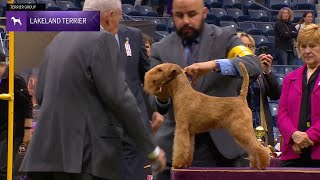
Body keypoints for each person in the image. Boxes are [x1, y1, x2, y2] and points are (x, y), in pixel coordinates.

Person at [19, 0, 167, 179]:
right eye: (119, 21)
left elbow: (40, 94)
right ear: (109, 17)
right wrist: (151, 149)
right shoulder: (102, 39)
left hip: (45, 158)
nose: (117, 28)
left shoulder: (58, 40)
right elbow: (120, 98)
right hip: (85, 159)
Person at [149, 0, 262, 179]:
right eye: (179, 15)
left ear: (204, 12)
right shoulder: (160, 48)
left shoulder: (226, 37)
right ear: (172, 15)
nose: (185, 20)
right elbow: (154, 103)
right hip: (172, 152)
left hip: (223, 151)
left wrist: (214, 64)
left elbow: (253, 64)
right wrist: (162, 97)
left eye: (192, 14)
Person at [117, 23, 164, 180]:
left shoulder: (133, 35)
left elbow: (148, 78)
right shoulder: (83, 36)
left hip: (133, 123)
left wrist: (155, 108)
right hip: (98, 126)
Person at [277, 24, 320, 167]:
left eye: (312, 46)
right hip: (292, 152)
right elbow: (282, 114)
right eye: (303, 46)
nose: (307, 51)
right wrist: (294, 134)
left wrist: (309, 136)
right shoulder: (290, 78)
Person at [237, 32, 281, 146]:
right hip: (240, 126)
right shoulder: (232, 71)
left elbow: (276, 95)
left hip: (261, 125)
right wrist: (255, 71)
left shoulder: (260, 72)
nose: (247, 49)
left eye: (250, 46)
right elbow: (238, 90)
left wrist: (267, 71)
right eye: (243, 46)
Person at [0, 52, 33, 180]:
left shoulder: (15, 80)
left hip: (11, 130)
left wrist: (27, 131)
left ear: (3, 66)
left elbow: (27, 104)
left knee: (3, 168)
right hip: (2, 126)